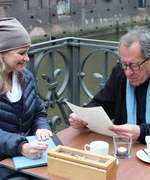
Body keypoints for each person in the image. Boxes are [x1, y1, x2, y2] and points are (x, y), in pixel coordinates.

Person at [69, 28, 150, 144]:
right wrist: (83, 117)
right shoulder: (119, 73)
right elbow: (102, 104)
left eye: (134, 66)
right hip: (124, 149)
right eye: (124, 64)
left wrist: (142, 132)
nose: (128, 73)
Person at [0, 17, 52, 179]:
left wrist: (42, 128)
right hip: (5, 161)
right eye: (21, 53)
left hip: (30, 156)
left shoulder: (26, 77)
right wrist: (21, 146)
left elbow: (39, 113)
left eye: (27, 52)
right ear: (2, 54)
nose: (27, 58)